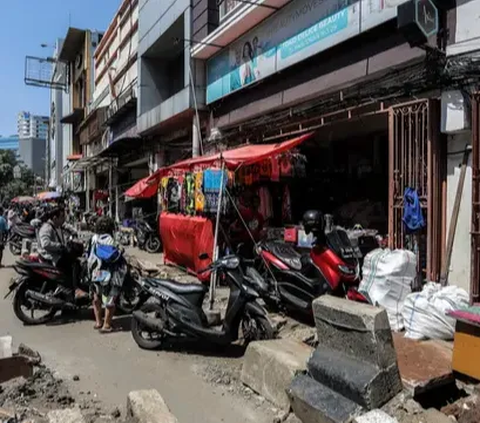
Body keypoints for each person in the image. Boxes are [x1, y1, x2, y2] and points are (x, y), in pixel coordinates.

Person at [37, 206, 84, 301]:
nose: (64, 219)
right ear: (55, 218)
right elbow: (45, 243)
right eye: (62, 217)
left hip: (56, 255)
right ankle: (75, 289)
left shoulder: (56, 226)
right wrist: (60, 246)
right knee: (76, 263)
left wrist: (74, 234)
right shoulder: (47, 227)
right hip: (52, 257)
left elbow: (67, 227)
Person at [87, 216, 120, 333]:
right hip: (107, 273)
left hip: (95, 273)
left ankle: (98, 322)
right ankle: (106, 324)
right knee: (109, 298)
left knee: (96, 297)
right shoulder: (110, 239)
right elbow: (115, 256)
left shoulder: (94, 238)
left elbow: (88, 254)